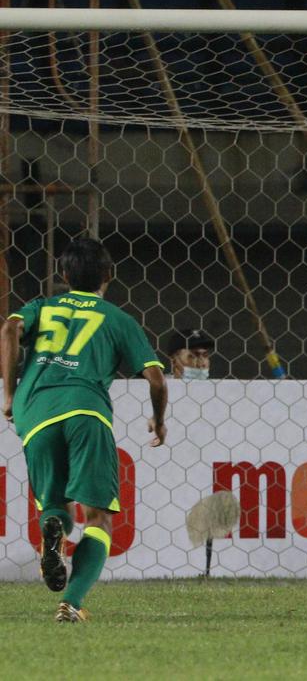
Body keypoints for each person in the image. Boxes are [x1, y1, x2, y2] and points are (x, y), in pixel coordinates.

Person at [1, 237, 168, 623]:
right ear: (109, 275)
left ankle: (54, 530)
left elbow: (9, 329)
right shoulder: (118, 319)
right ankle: (71, 603)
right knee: (98, 519)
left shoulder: (42, 307)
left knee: (54, 504)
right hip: (86, 410)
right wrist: (158, 420)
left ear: (63, 274)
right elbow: (157, 379)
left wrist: (9, 394)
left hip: (35, 411)